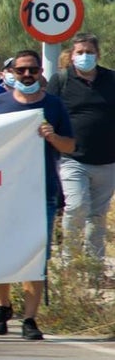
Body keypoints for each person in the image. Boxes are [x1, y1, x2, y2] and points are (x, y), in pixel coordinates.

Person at [0, 50, 75, 340]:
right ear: (11, 73)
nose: (26, 75)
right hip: (2, 193)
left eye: (32, 70)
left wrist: (52, 136)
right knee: (1, 252)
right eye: (21, 70)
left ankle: (30, 319)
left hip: (40, 192)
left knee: (36, 257)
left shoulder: (54, 105)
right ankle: (3, 305)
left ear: (40, 72)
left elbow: (70, 146)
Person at [47, 32, 115, 278]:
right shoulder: (61, 80)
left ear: (98, 54)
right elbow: (48, 113)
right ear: (72, 55)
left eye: (89, 52)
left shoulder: (111, 79)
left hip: (107, 160)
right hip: (72, 158)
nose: (85, 56)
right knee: (76, 207)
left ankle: (94, 269)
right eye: (80, 52)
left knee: (97, 216)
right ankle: (70, 265)